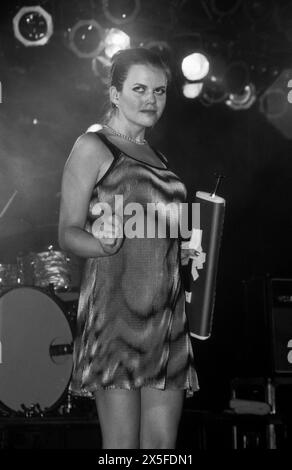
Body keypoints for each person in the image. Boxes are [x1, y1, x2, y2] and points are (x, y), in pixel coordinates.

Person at [58, 47, 199, 450]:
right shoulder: (93, 146)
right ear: (115, 93)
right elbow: (68, 232)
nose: (150, 99)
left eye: (160, 90)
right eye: (139, 88)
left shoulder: (160, 157)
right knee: (121, 450)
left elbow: (153, 230)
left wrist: (178, 250)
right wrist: (100, 243)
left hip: (166, 315)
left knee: (161, 450)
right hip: (116, 315)